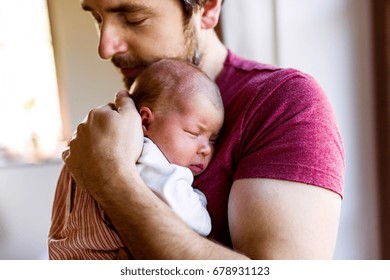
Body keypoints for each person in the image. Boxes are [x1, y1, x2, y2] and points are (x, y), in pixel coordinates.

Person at [58, 0, 345, 259]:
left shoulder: (284, 103)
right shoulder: (124, 117)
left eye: (133, 17)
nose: (105, 48)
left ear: (207, 8)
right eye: (97, 18)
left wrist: (112, 178)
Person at [48, 59, 224, 259]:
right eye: (193, 132)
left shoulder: (91, 142)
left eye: (213, 139)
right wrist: (199, 199)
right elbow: (197, 223)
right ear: (146, 121)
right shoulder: (149, 157)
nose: (206, 149)